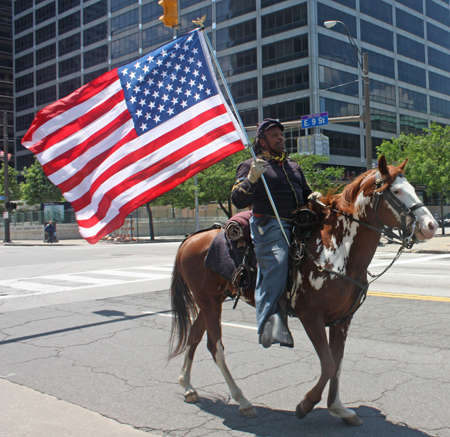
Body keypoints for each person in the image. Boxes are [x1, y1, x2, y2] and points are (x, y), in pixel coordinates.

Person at [231, 118, 312, 348]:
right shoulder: (251, 165)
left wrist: (314, 197)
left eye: (281, 134)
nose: (280, 138)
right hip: (270, 226)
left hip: (299, 222)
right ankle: (268, 323)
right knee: (279, 259)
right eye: (275, 135)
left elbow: (305, 193)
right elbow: (238, 199)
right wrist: (251, 179)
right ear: (262, 141)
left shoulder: (293, 166)